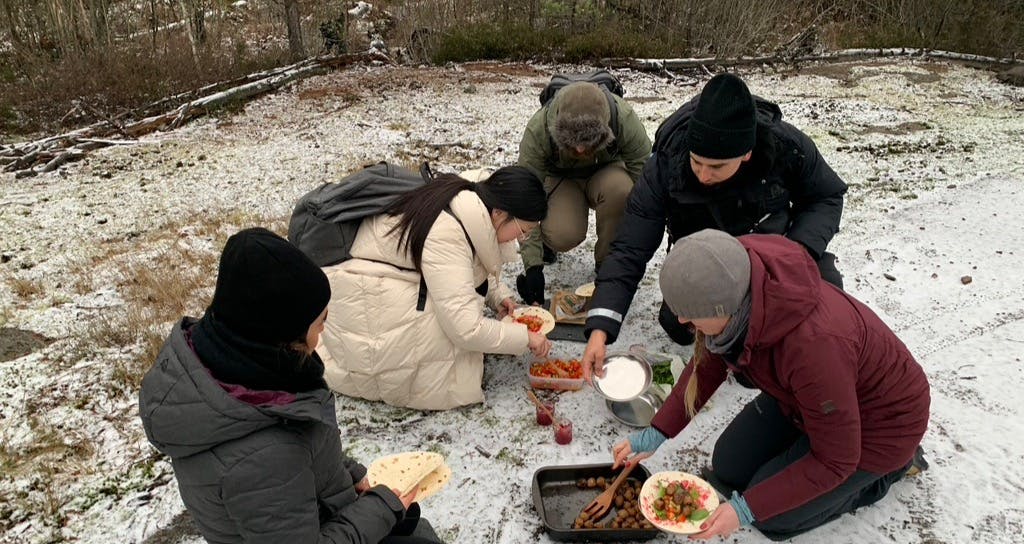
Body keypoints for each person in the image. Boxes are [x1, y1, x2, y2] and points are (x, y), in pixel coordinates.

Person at [139, 228, 460, 544]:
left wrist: (354, 478)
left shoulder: (240, 362)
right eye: (320, 320)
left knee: (404, 515)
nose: (324, 331)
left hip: (291, 527)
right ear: (284, 329)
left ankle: (376, 522)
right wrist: (381, 507)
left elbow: (306, 443)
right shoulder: (262, 454)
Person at [611, 230, 930, 540]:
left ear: (722, 308)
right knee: (728, 468)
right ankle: (803, 446)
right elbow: (707, 364)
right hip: (808, 402)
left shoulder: (814, 348)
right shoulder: (737, 285)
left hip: (880, 428)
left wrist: (745, 510)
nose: (682, 322)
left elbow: (836, 459)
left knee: (773, 515)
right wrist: (658, 431)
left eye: (690, 315)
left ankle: (891, 471)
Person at [582, 72, 848, 381]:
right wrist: (600, 329)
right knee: (678, 325)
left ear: (746, 153)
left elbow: (827, 195)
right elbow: (630, 248)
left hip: (766, 262)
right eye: (697, 163)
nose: (704, 175)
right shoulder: (668, 163)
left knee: (819, 298)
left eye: (717, 166)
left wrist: (796, 251)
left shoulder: (787, 147)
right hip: (703, 268)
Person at [318, 166, 551, 410]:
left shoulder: (472, 200)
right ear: (499, 213)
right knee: (444, 348)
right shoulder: (447, 232)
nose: (520, 239)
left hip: (373, 285)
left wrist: (497, 296)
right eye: (523, 231)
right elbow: (465, 329)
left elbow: (469, 264)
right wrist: (524, 337)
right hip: (362, 306)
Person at [515, 81, 652, 304]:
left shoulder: (624, 118)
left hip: (607, 174)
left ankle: (608, 261)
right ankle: (549, 246)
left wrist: (633, 249)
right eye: (571, 141)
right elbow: (524, 196)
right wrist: (533, 267)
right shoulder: (539, 129)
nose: (579, 150)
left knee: (623, 191)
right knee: (563, 233)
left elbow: (646, 182)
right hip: (561, 179)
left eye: (587, 141)